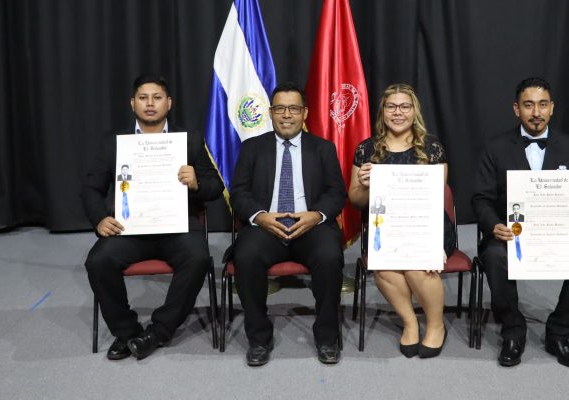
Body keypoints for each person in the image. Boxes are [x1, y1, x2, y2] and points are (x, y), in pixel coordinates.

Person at [82, 74, 223, 360]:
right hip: (130, 228)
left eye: (157, 98)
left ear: (168, 103)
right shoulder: (114, 143)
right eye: (143, 98)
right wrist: (99, 219)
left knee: (197, 259)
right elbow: (90, 189)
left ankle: (158, 332)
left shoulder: (190, 140)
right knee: (98, 261)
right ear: (132, 103)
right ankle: (127, 332)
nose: (150, 104)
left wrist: (197, 182)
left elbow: (215, 187)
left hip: (178, 227)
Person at [472, 77, 569, 368]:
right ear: (516, 109)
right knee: (494, 257)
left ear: (552, 108)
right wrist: (494, 225)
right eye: (528, 105)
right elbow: (480, 199)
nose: (536, 112)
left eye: (543, 105)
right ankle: (513, 331)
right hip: (509, 235)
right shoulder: (495, 148)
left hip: (557, 235)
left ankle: (559, 333)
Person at [229, 81, 347, 366]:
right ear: (270, 112)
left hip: (310, 226)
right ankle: (259, 338)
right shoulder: (252, 148)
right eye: (280, 108)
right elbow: (239, 193)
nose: (286, 115)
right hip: (266, 226)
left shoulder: (323, 148)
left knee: (330, 256)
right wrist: (260, 216)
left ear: (304, 113)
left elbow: (336, 193)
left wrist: (316, 215)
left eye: (293, 109)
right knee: (245, 255)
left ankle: (327, 336)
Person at [348, 83, 454, 358]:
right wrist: (364, 185)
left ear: (414, 111)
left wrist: (433, 241)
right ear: (382, 111)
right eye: (391, 106)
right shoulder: (366, 149)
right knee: (385, 268)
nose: (398, 113)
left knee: (418, 266)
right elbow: (356, 201)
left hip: (427, 224)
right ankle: (410, 323)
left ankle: (436, 325)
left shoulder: (431, 147)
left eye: (404, 106)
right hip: (385, 228)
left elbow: (437, 198)